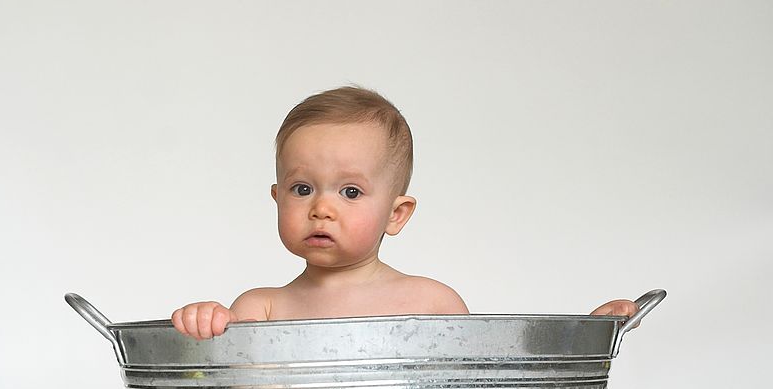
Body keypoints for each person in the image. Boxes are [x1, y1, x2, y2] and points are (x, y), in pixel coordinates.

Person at [172, 85, 638, 339]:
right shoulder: (260, 308)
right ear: (277, 200)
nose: (321, 208)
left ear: (397, 215)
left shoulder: (430, 303)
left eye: (351, 192)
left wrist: (588, 335)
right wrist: (209, 323)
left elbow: (490, 380)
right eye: (302, 188)